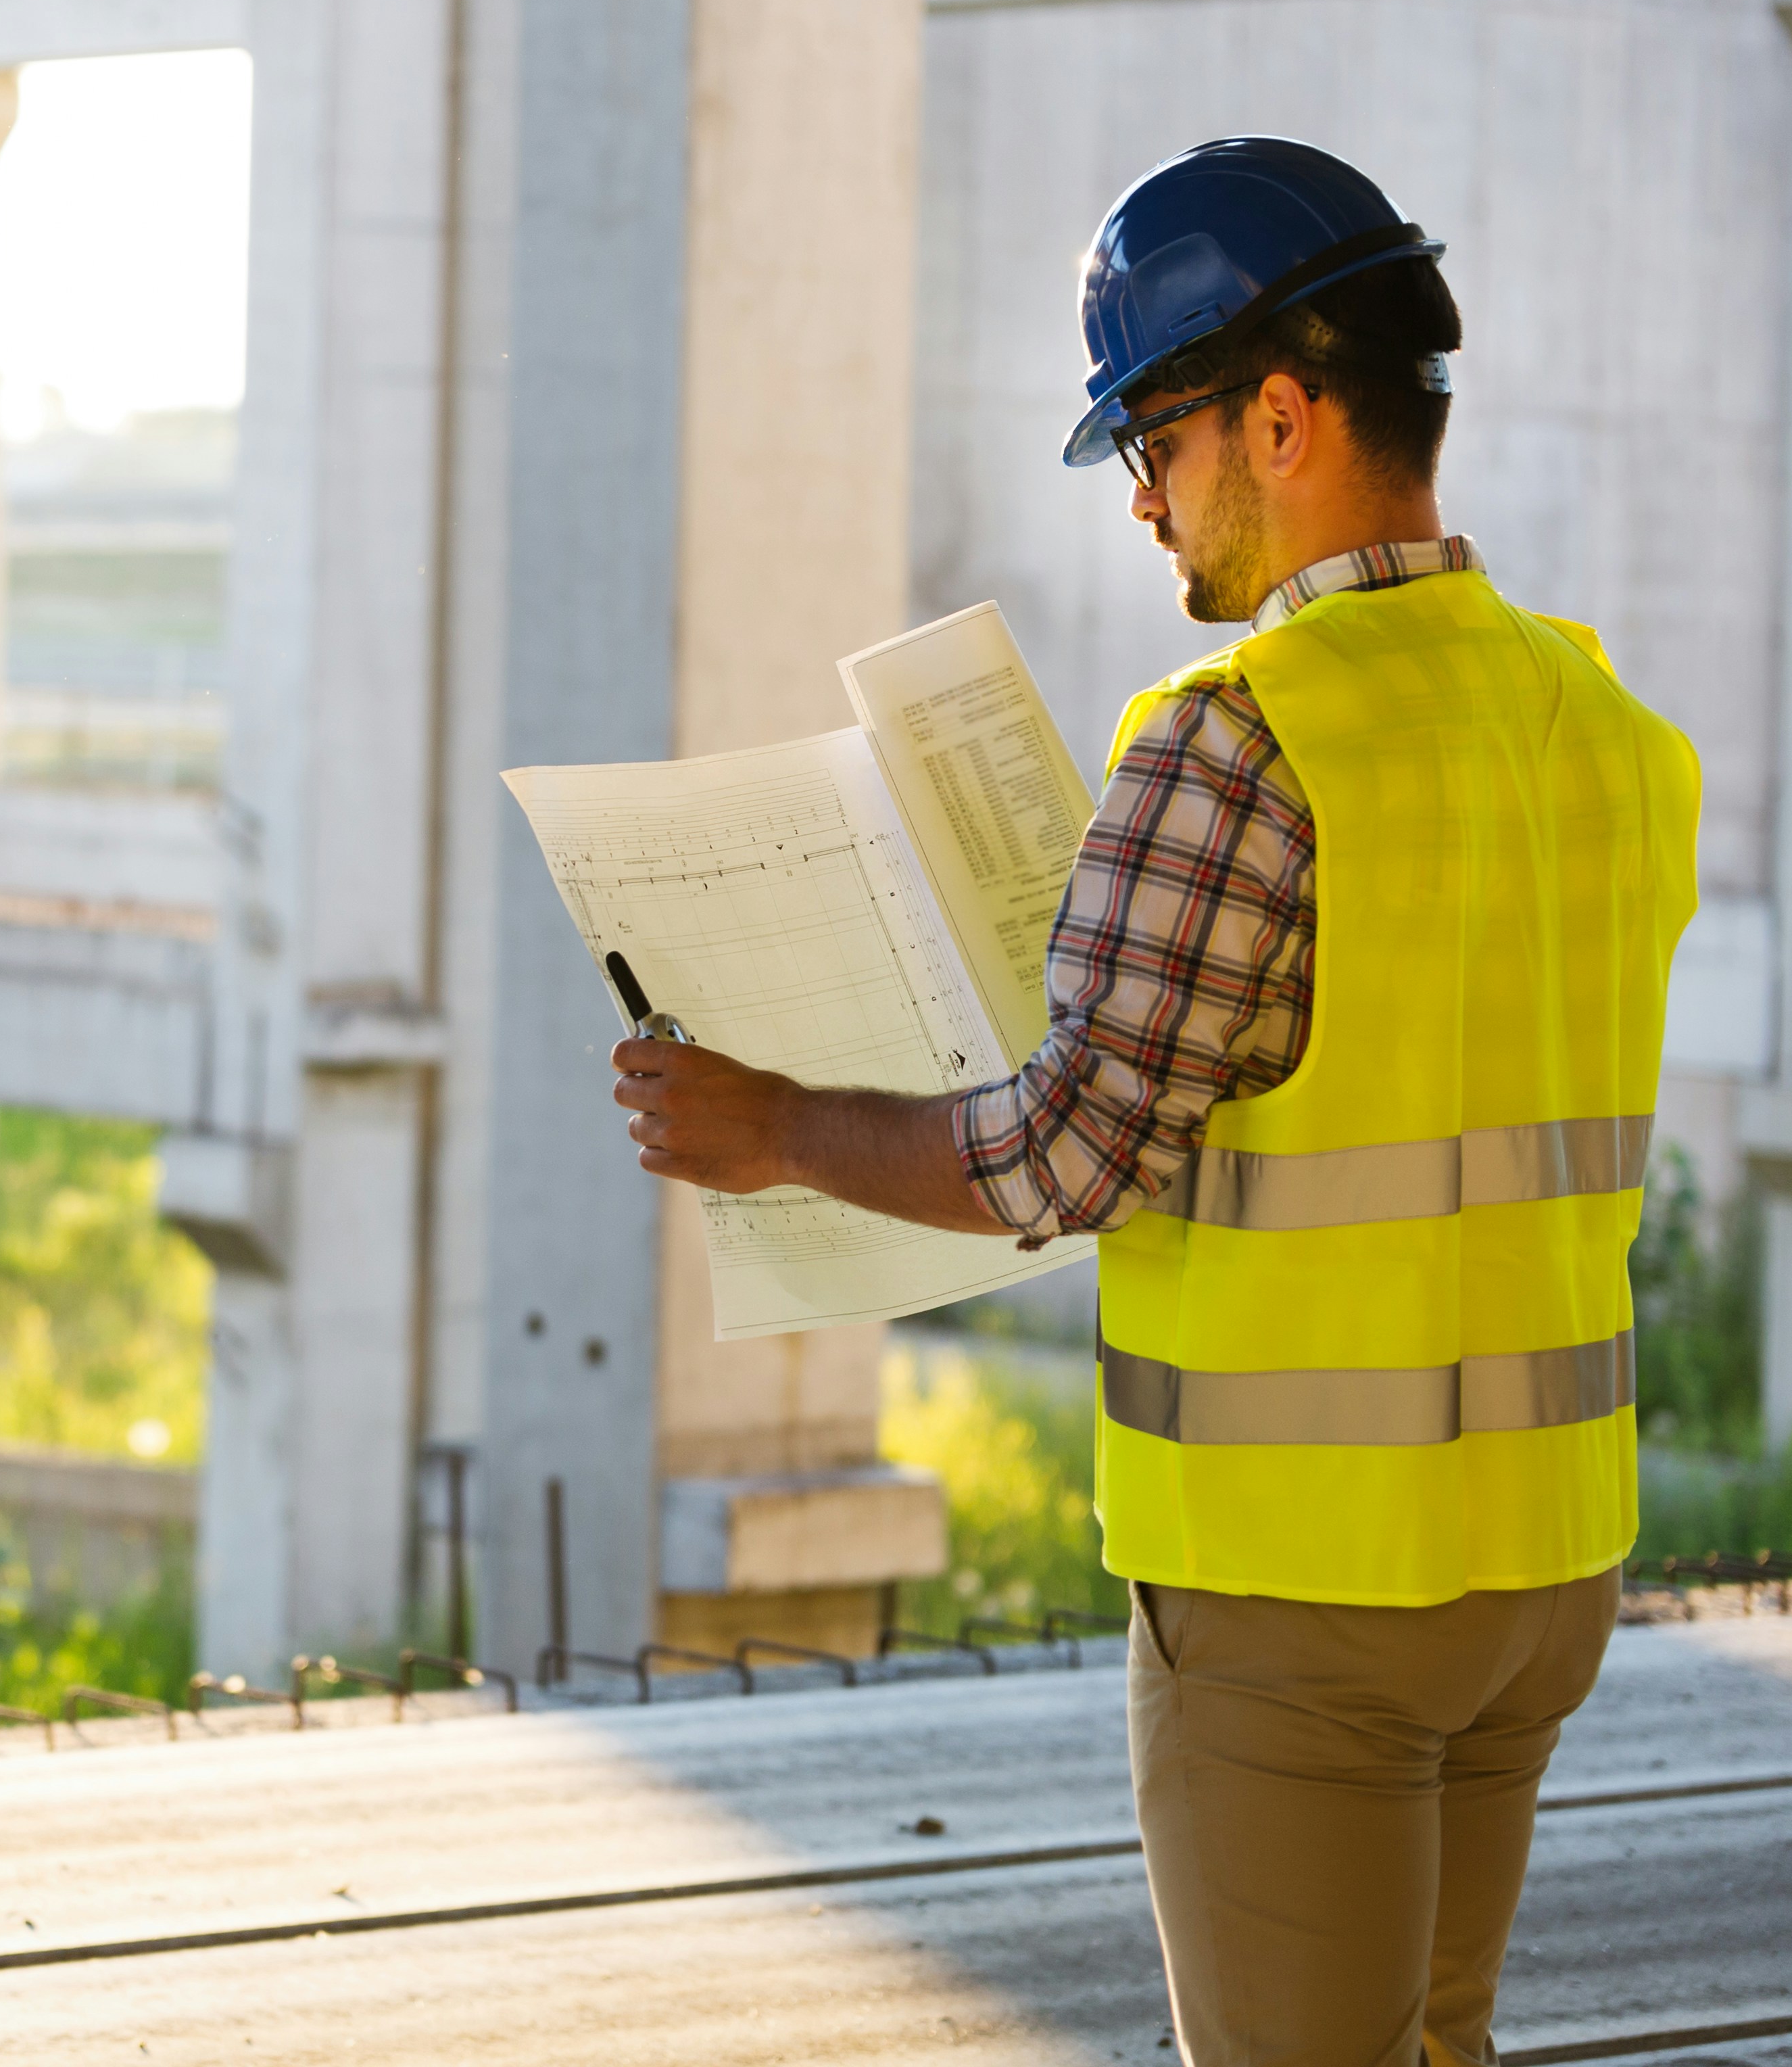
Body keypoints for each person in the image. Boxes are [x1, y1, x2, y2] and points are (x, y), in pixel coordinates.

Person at [608, 137, 1697, 2067]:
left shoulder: (1239, 743)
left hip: (1309, 1596)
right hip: (1544, 1570)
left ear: (1280, 414)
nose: (1138, 502)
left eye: (1154, 441)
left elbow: (1067, 1154)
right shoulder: (1598, 725)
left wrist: (767, 1127)